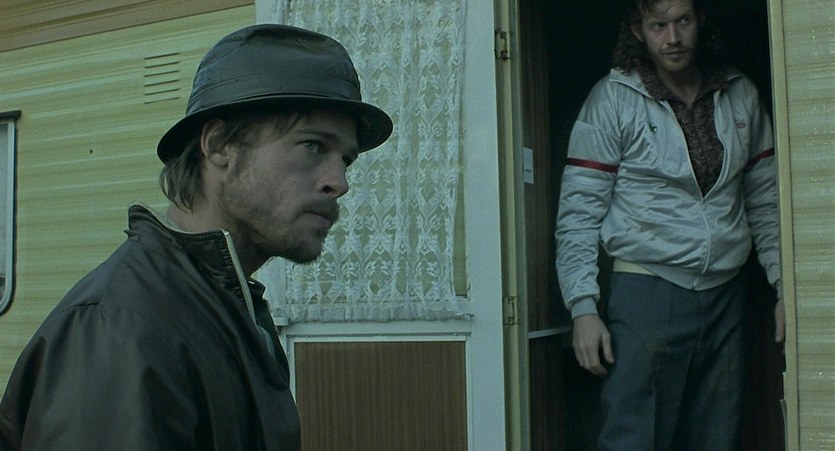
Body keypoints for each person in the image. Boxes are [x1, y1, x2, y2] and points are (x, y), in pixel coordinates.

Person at [0, 24, 392, 449]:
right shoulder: (121, 329)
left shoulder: (224, 305)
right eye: (313, 146)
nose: (339, 183)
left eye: (346, 160)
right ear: (219, 145)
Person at [555, 0, 784, 449]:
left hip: (726, 293)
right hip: (646, 291)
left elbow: (767, 202)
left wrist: (784, 289)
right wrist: (583, 308)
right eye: (658, 25)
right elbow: (579, 211)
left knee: (717, 436)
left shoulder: (739, 93)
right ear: (638, 30)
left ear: (701, 20)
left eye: (683, 21)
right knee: (635, 437)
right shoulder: (613, 98)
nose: (673, 38)